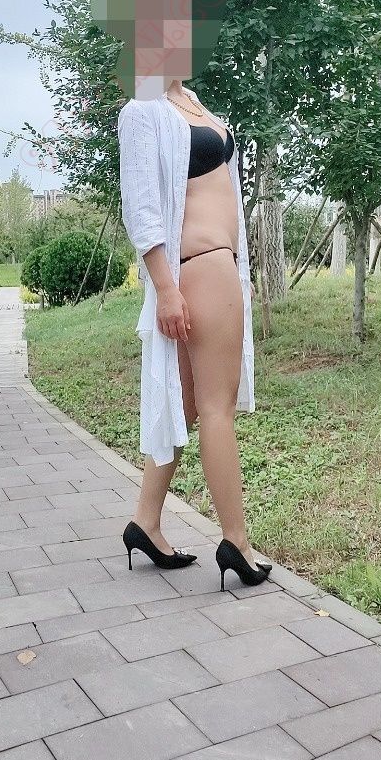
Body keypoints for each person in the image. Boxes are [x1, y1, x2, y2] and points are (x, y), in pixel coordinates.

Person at [118, 72, 273, 591]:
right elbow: (141, 207)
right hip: (199, 268)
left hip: (216, 266)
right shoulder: (143, 110)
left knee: (187, 404)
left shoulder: (193, 103)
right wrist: (165, 288)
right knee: (216, 407)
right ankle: (236, 542)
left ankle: (146, 521)